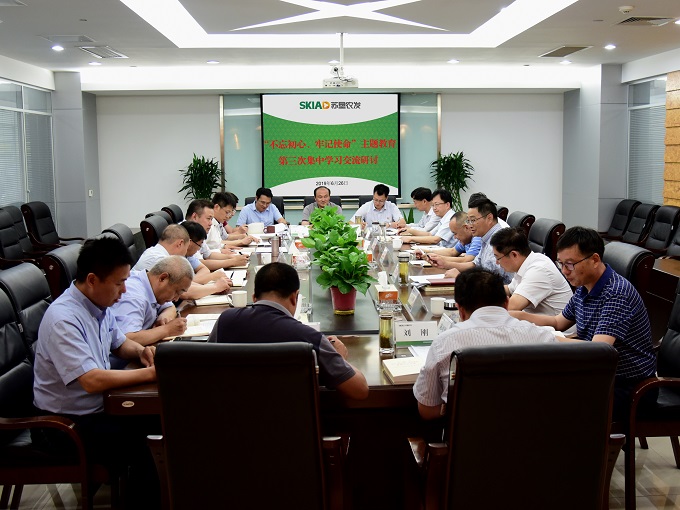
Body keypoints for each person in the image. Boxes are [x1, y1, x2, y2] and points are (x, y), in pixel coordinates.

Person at [32, 237, 160, 507]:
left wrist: (141, 351)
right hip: (63, 427)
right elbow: (91, 380)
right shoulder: (64, 318)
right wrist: (151, 374)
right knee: (147, 443)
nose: (124, 291)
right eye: (119, 283)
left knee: (161, 421)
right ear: (92, 280)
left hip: (95, 411)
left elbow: (120, 343)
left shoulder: (99, 305)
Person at [510, 226, 657, 420]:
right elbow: (558, 322)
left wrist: (543, 337)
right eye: (561, 264)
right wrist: (517, 316)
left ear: (594, 260)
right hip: (598, 374)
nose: (565, 271)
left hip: (628, 387)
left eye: (570, 264)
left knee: (543, 398)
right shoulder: (584, 285)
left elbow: (599, 350)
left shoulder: (616, 293)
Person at [208, 262, 369, 400]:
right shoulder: (309, 338)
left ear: (254, 297)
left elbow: (202, 371)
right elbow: (360, 390)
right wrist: (340, 359)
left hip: (228, 423)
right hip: (292, 426)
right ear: (295, 297)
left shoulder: (225, 321)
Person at [413, 268, 555, 420]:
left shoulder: (444, 343)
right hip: (534, 431)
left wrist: (451, 407)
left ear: (460, 310)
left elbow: (427, 410)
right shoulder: (544, 338)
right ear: (507, 303)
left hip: (470, 434)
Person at [135, 222, 231, 300]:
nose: (185, 253)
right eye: (186, 247)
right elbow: (184, 292)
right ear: (180, 243)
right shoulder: (159, 259)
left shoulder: (157, 252)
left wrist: (211, 288)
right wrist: (215, 287)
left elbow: (187, 286)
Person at [111, 256, 194, 347]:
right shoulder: (134, 297)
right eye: (177, 292)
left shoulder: (150, 283)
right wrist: (167, 330)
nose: (176, 299)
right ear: (163, 278)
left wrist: (164, 316)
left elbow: (170, 307)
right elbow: (126, 339)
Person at [490, 227, 573, 316]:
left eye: (498, 258)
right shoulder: (527, 262)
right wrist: (484, 291)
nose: (497, 262)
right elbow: (509, 289)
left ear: (514, 255)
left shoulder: (539, 269)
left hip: (555, 324)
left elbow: (511, 307)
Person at [429, 199, 514, 284]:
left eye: (473, 220)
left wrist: (460, 277)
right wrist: (445, 264)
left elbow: (493, 282)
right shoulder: (485, 237)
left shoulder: (500, 240)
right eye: (468, 221)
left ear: (489, 218)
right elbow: (475, 264)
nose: (469, 226)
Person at [185, 199, 250, 270]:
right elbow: (200, 263)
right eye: (208, 219)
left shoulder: (197, 231)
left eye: (211, 219)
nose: (211, 223)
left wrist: (233, 257)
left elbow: (209, 255)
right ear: (194, 217)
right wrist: (232, 262)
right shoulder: (185, 232)